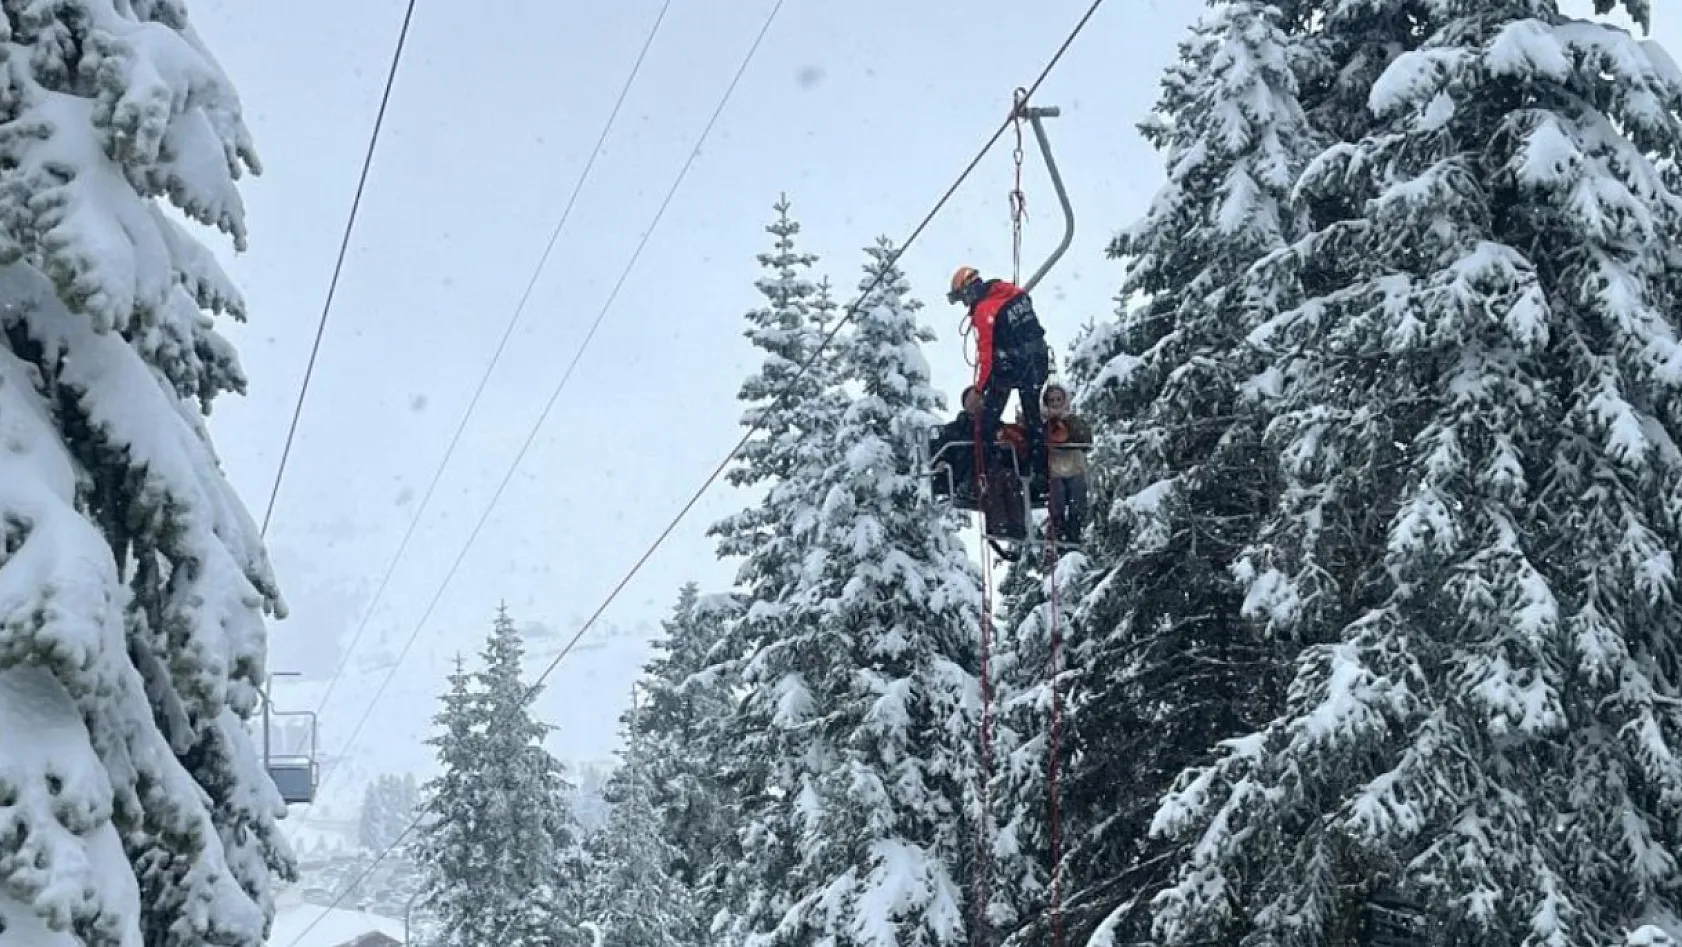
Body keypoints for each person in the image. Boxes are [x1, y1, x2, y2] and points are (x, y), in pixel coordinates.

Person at [948, 265, 1051, 481]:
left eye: (962, 298)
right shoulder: (1012, 292)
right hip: (1037, 360)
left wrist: (979, 389)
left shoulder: (984, 310)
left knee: (987, 422)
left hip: (1010, 367)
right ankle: (1039, 472)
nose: (965, 304)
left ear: (968, 291)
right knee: (1033, 418)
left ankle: (987, 473)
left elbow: (985, 355)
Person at [1041, 382, 1091, 543]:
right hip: (1053, 467)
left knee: (1077, 494)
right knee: (1058, 496)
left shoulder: (1073, 420)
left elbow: (1086, 440)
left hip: (1073, 465)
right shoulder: (1042, 423)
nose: (1055, 404)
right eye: (1052, 400)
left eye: (1058, 399)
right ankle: (1059, 529)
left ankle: (1075, 529)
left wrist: (1068, 422)